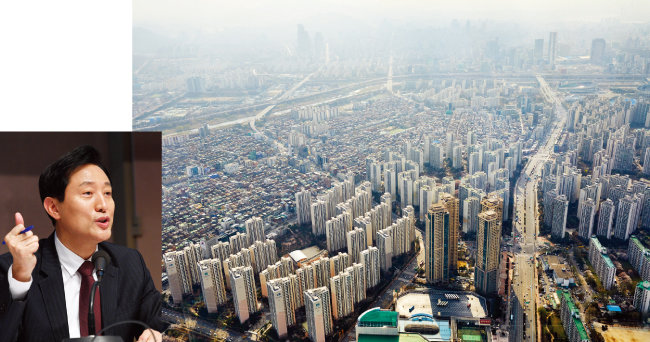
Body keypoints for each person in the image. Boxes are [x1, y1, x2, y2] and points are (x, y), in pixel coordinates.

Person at [0, 145, 167, 341]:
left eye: (107, 193)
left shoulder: (130, 263)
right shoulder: (15, 269)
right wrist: (20, 279)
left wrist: (156, 334)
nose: (103, 205)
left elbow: (163, 321)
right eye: (88, 193)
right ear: (54, 207)